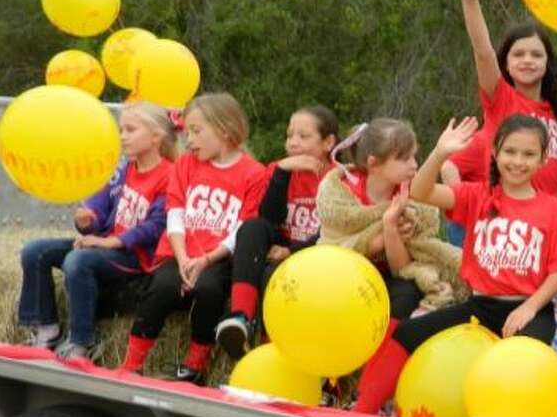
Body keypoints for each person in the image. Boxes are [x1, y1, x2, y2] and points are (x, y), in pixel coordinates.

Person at [352, 114, 557, 415]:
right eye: (510, 151)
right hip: (481, 306)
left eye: (528, 154)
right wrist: (440, 153)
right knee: (406, 333)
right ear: (495, 153)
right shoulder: (477, 196)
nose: (518, 161)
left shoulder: (553, 210)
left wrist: (530, 307)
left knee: (521, 359)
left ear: (542, 159)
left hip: (529, 308)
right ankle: (361, 412)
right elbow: (421, 191)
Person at [120, 92, 269, 384]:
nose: (189, 139)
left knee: (210, 289)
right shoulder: (185, 165)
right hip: (180, 251)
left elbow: (243, 228)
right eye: (187, 131)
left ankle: (195, 364)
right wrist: (183, 257)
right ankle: (132, 362)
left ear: (225, 130)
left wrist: (206, 260)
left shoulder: (254, 174)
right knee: (162, 285)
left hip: (218, 256)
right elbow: (174, 211)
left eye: (197, 131)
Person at [316, 117, 463, 411]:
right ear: (374, 162)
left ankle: (370, 384)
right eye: (404, 158)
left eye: (415, 156)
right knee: (345, 300)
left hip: (387, 273)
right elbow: (340, 244)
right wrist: (380, 233)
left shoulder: (411, 198)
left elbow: (402, 265)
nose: (413, 165)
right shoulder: (342, 193)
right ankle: (331, 381)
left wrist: (392, 229)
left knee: (407, 292)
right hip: (347, 271)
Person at [19, 102, 178, 361]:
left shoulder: (170, 175)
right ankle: (46, 327)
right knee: (35, 251)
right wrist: (87, 222)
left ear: (156, 137)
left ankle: (81, 340)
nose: (122, 136)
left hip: (134, 256)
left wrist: (113, 242)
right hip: (105, 245)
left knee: (78, 260)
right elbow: (97, 212)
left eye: (130, 129)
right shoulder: (121, 169)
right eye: (120, 129)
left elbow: (157, 225)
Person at [441, 0, 557, 248]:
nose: (527, 60)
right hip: (504, 227)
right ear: (507, 63)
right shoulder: (501, 100)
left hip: (543, 225)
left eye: (536, 54)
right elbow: (483, 51)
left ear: (548, 62)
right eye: (519, 54)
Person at [214, 105, 339, 358]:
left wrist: (291, 251)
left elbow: (333, 231)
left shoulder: (337, 178)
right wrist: (283, 172)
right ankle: (241, 318)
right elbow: (270, 218)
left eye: (303, 137)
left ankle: (272, 347)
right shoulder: (278, 169)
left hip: (317, 254)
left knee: (273, 273)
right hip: (280, 242)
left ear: (328, 142)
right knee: (251, 228)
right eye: (289, 135)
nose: (293, 142)